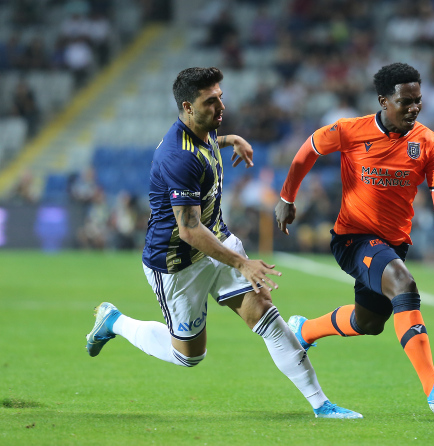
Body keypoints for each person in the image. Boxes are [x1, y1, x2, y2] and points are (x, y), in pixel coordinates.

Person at [85, 67, 360, 419]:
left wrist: (231, 139)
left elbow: (210, 144)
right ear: (188, 107)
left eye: (220, 98)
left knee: (267, 316)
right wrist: (242, 263)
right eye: (210, 101)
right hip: (177, 263)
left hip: (218, 241)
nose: (221, 106)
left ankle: (322, 405)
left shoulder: (203, 130)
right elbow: (189, 229)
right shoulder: (178, 156)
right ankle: (114, 321)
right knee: (189, 356)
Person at [274, 62, 434, 415]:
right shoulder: (350, 130)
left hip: (394, 244)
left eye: (418, 101)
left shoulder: (430, 142)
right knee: (404, 285)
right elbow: (308, 150)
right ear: (383, 101)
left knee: (369, 323)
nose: (414, 108)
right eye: (405, 101)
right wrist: (287, 197)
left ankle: (305, 330)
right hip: (353, 237)